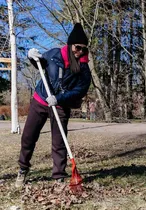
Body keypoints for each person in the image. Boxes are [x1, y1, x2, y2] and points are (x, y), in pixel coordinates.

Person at [16, 23, 92, 187]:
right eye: (77, 48)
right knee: (28, 137)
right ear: (70, 45)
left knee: (59, 143)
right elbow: (40, 63)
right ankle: (23, 169)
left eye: (84, 50)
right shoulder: (54, 54)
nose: (80, 52)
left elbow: (80, 90)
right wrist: (32, 57)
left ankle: (58, 176)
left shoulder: (83, 68)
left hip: (60, 104)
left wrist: (60, 98)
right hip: (41, 99)